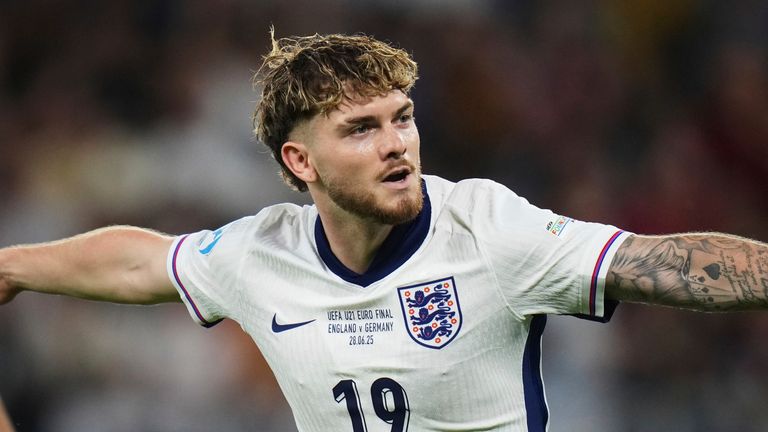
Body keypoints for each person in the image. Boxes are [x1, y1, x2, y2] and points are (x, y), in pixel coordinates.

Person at [0, 31, 766, 432]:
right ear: (300, 160)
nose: (397, 143)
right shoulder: (259, 252)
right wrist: (14, 266)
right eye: (361, 129)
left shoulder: (489, 229)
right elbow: (145, 265)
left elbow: (660, 262)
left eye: (402, 118)